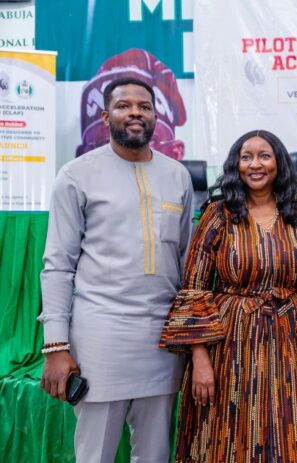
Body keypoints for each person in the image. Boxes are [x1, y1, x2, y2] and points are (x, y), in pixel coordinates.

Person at [39, 77, 194, 461]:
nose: (135, 113)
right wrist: (56, 345)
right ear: (106, 115)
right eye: (125, 106)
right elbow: (57, 267)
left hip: (162, 339)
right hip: (101, 336)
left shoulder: (178, 177)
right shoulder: (75, 176)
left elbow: (189, 263)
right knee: (96, 454)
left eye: (145, 106)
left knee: (156, 453)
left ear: (157, 117)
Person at [160, 130, 297, 462]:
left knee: (288, 432)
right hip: (230, 347)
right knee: (229, 434)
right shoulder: (219, 214)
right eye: (246, 157)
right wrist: (200, 359)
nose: (255, 164)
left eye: (265, 155)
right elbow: (194, 288)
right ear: (236, 164)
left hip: (291, 346)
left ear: (280, 163)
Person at [76, 48, 188, 160]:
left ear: (176, 152)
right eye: (122, 106)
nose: (135, 112)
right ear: (83, 153)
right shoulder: (72, 175)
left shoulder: (178, 175)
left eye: (152, 141)